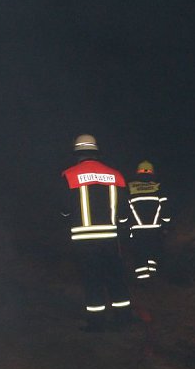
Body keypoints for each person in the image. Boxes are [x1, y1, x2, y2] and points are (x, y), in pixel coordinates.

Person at [60, 134, 133, 332]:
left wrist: (68, 217)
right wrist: (123, 228)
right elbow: (124, 210)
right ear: (96, 153)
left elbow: (64, 209)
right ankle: (124, 318)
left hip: (84, 240)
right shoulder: (115, 175)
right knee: (116, 277)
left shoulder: (70, 175)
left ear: (78, 154)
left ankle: (97, 322)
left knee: (92, 280)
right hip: (110, 237)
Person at [126, 160, 170, 280]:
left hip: (136, 229)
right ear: (152, 172)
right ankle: (153, 279)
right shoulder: (158, 187)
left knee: (139, 254)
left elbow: (124, 208)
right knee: (153, 252)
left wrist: (124, 224)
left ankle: (143, 280)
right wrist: (166, 225)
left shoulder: (130, 187)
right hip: (155, 229)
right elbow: (165, 208)